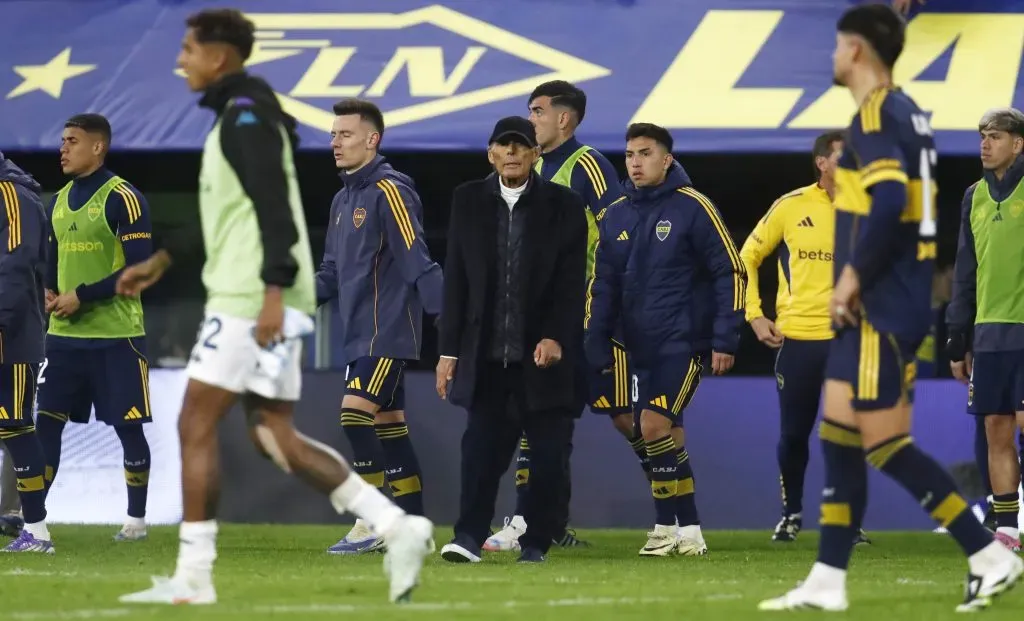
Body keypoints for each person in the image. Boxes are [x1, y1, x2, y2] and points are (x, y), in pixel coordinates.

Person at [116, 8, 432, 605]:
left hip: (248, 297)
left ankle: (194, 576)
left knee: (193, 423)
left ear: (219, 56)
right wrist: (163, 260)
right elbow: (230, 211)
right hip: (259, 294)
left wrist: (270, 294)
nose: (180, 60)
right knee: (272, 435)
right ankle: (396, 525)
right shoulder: (246, 115)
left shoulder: (245, 116)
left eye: (188, 49)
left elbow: (274, 207)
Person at [759, 4, 1022, 612]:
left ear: (856, 50)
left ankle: (987, 554)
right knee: (838, 432)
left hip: (880, 304)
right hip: (887, 300)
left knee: (882, 442)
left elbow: (885, 202)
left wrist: (851, 278)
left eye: (837, 45)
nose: (832, 55)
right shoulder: (908, 113)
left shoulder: (877, 112)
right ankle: (827, 578)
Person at [586, 123, 746, 557]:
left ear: (667, 159)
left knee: (652, 425)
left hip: (683, 341)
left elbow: (730, 270)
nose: (635, 163)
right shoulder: (615, 214)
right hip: (637, 345)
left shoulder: (694, 206)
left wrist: (725, 338)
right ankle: (690, 531)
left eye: (645, 153)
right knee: (668, 436)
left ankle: (663, 528)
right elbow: (603, 285)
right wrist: (596, 339)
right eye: (630, 155)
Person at [436, 116, 587, 564]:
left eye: (521, 146)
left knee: (548, 458)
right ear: (491, 154)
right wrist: (448, 351)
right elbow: (456, 279)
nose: (513, 153)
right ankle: (468, 536)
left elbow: (571, 282)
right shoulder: (467, 200)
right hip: (487, 358)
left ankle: (536, 542)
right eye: (504, 146)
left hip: (543, 359)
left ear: (536, 155)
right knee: (478, 454)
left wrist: (556, 336)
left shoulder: (564, 205)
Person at [485, 80, 621, 552]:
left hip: (580, 313)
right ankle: (540, 522)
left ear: (564, 118)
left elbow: (617, 234)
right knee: (539, 419)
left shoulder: (588, 166)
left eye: (538, 111)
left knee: (628, 420)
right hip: (531, 317)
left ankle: (676, 518)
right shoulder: (530, 166)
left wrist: (604, 306)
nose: (531, 120)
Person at [318, 98, 442, 555]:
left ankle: (371, 522)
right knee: (391, 428)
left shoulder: (391, 191)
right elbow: (330, 273)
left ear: (372, 140)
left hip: (387, 329)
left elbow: (418, 261)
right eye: (333, 134)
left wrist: (447, 326)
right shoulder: (341, 199)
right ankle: (415, 530)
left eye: (345, 134)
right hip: (357, 334)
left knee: (354, 415)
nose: (336, 142)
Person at [740, 131, 872, 546]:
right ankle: (791, 514)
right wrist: (754, 315)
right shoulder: (791, 205)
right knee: (794, 435)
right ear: (822, 162)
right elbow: (746, 258)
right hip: (797, 339)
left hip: (848, 339)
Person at [32, 113, 153, 542]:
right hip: (63, 339)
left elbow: (140, 268)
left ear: (98, 147)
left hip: (116, 337)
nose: (63, 148)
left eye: (73, 141)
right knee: (45, 423)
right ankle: (33, 521)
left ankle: (136, 521)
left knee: (128, 428)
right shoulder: (58, 200)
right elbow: (52, 259)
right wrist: (48, 290)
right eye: (62, 140)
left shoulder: (124, 197)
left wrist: (81, 295)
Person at [946, 107, 1024, 552]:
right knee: (996, 427)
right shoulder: (973, 196)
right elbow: (965, 270)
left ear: (1018, 143)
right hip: (989, 333)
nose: (985, 144)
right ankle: (1008, 529)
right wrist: (957, 335)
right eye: (982, 136)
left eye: (995, 136)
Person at [0, 152, 53, 553]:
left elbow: (17, 267)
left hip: (12, 337)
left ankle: (36, 530)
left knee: (15, 429)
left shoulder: (14, 195)